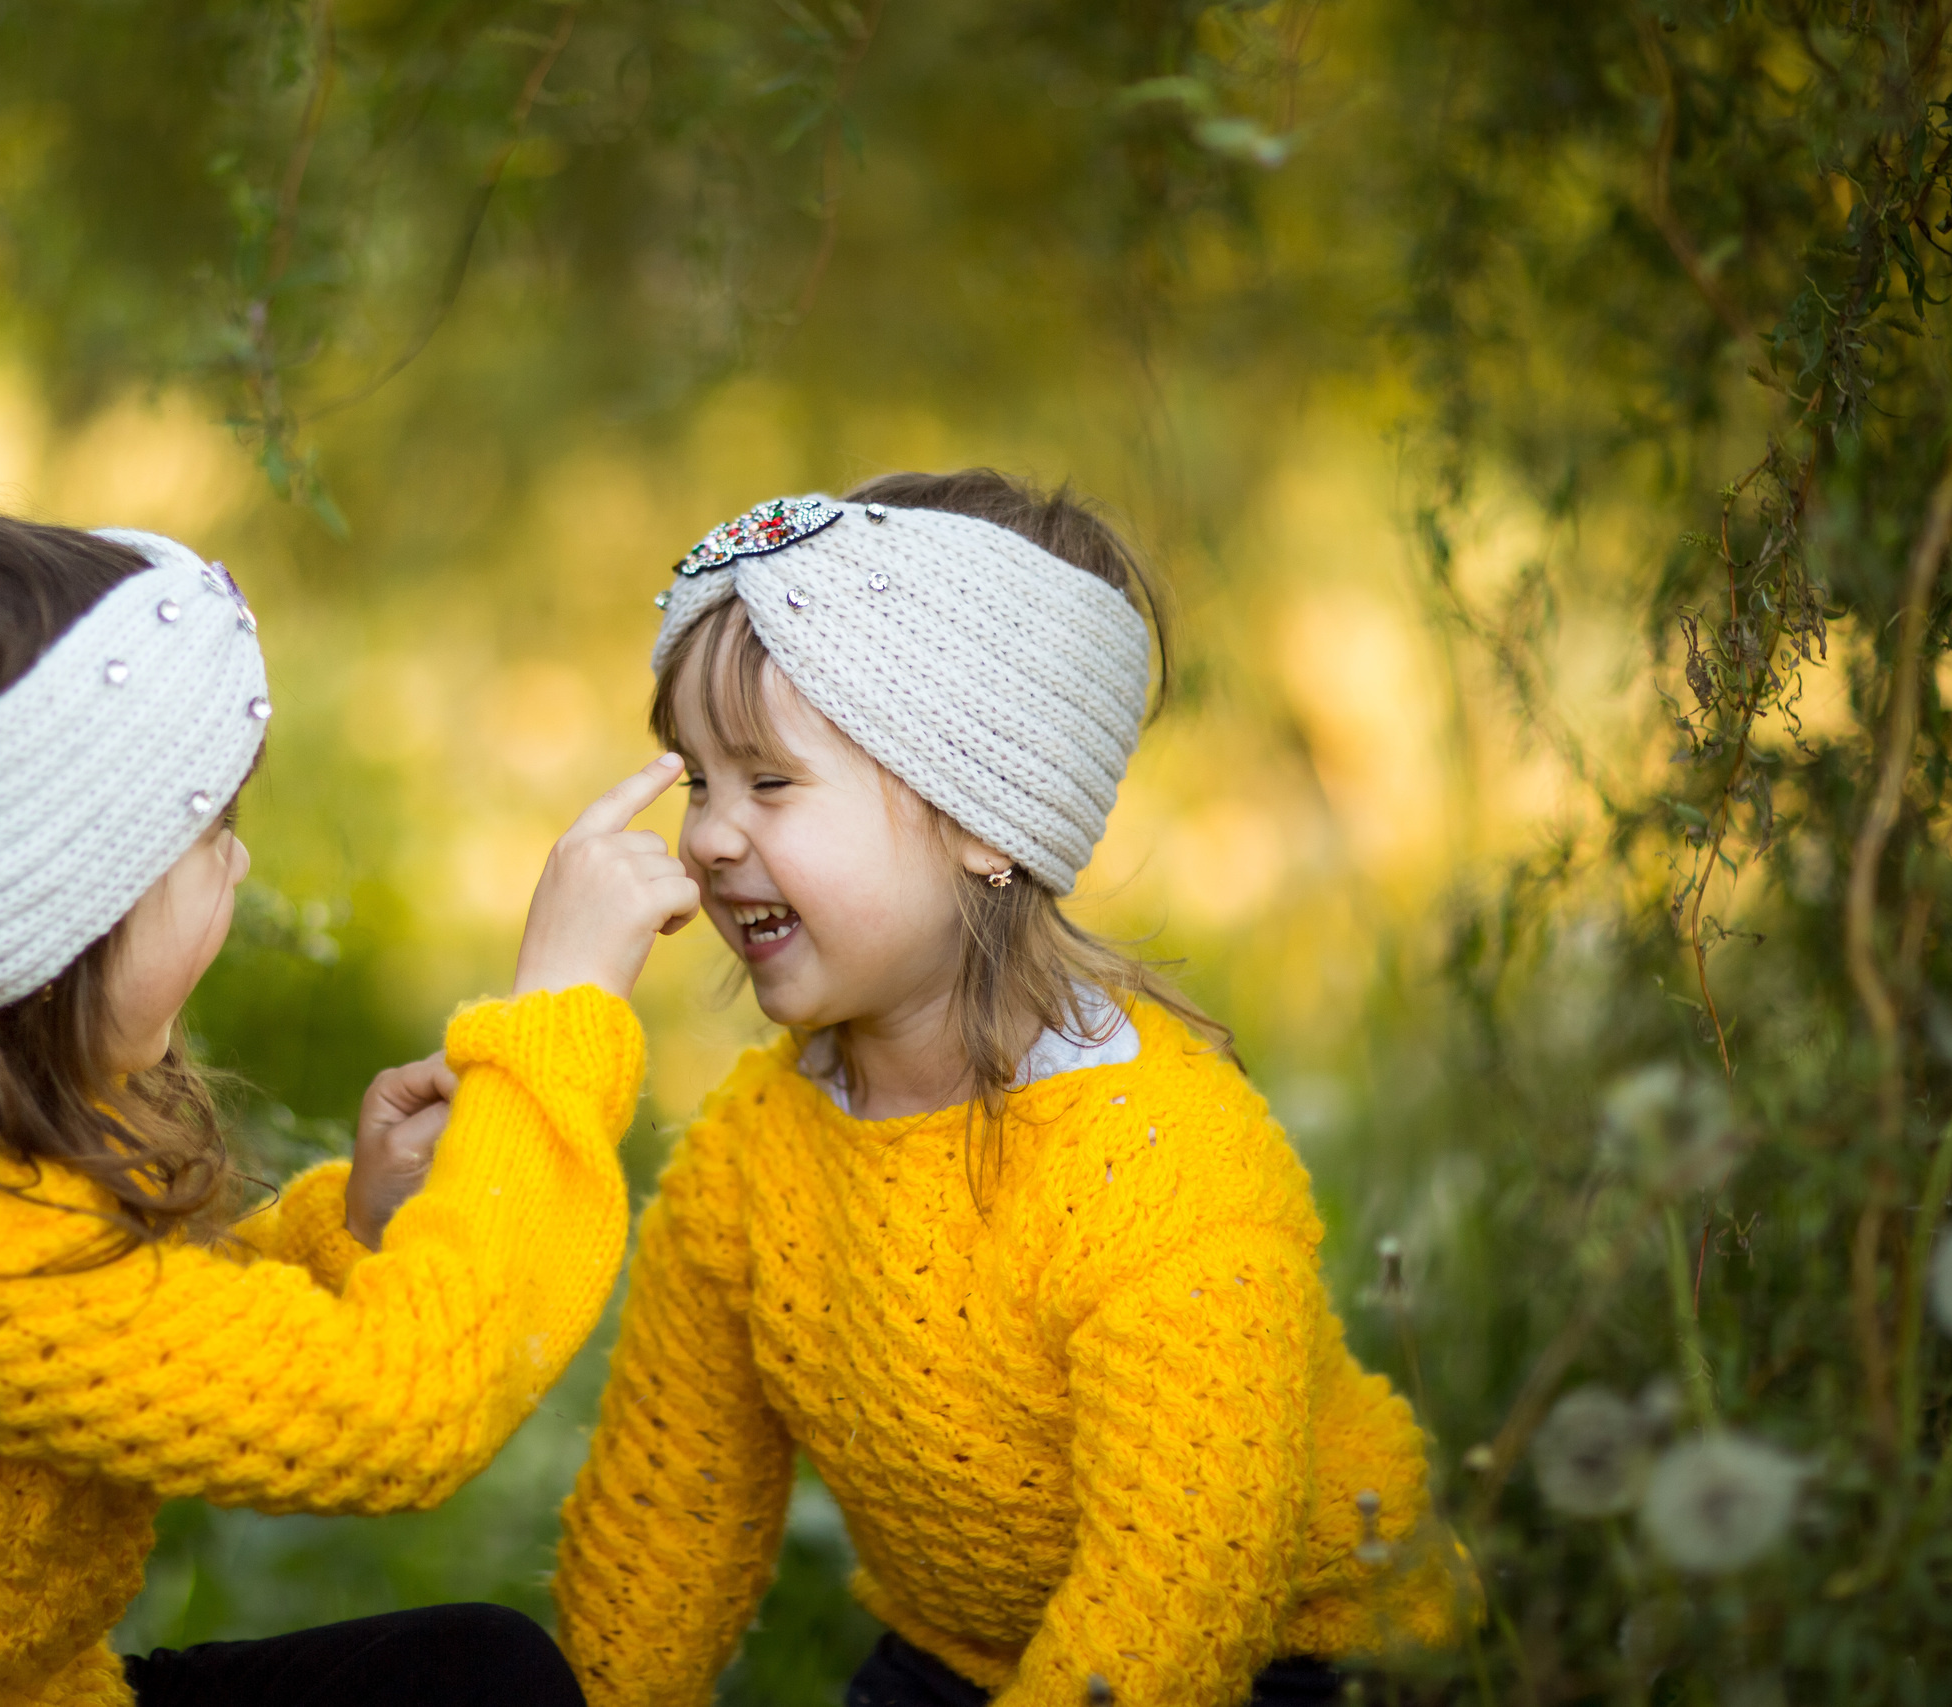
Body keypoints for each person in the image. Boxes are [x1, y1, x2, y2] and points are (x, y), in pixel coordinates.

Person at [0, 494, 699, 1707]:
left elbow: (125, 1337)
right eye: (206, 828)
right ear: (54, 915)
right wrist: (562, 1014)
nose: (240, 858)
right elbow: (400, 1408)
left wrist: (355, 1225)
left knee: (473, 1675)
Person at [549, 472, 1468, 1707]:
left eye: (767, 782)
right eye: (696, 781)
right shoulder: (750, 1160)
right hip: (956, 1659)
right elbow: (665, 1526)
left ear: (986, 820)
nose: (709, 836)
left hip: (1287, 1664)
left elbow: (1177, 1594)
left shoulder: (1158, 1167)